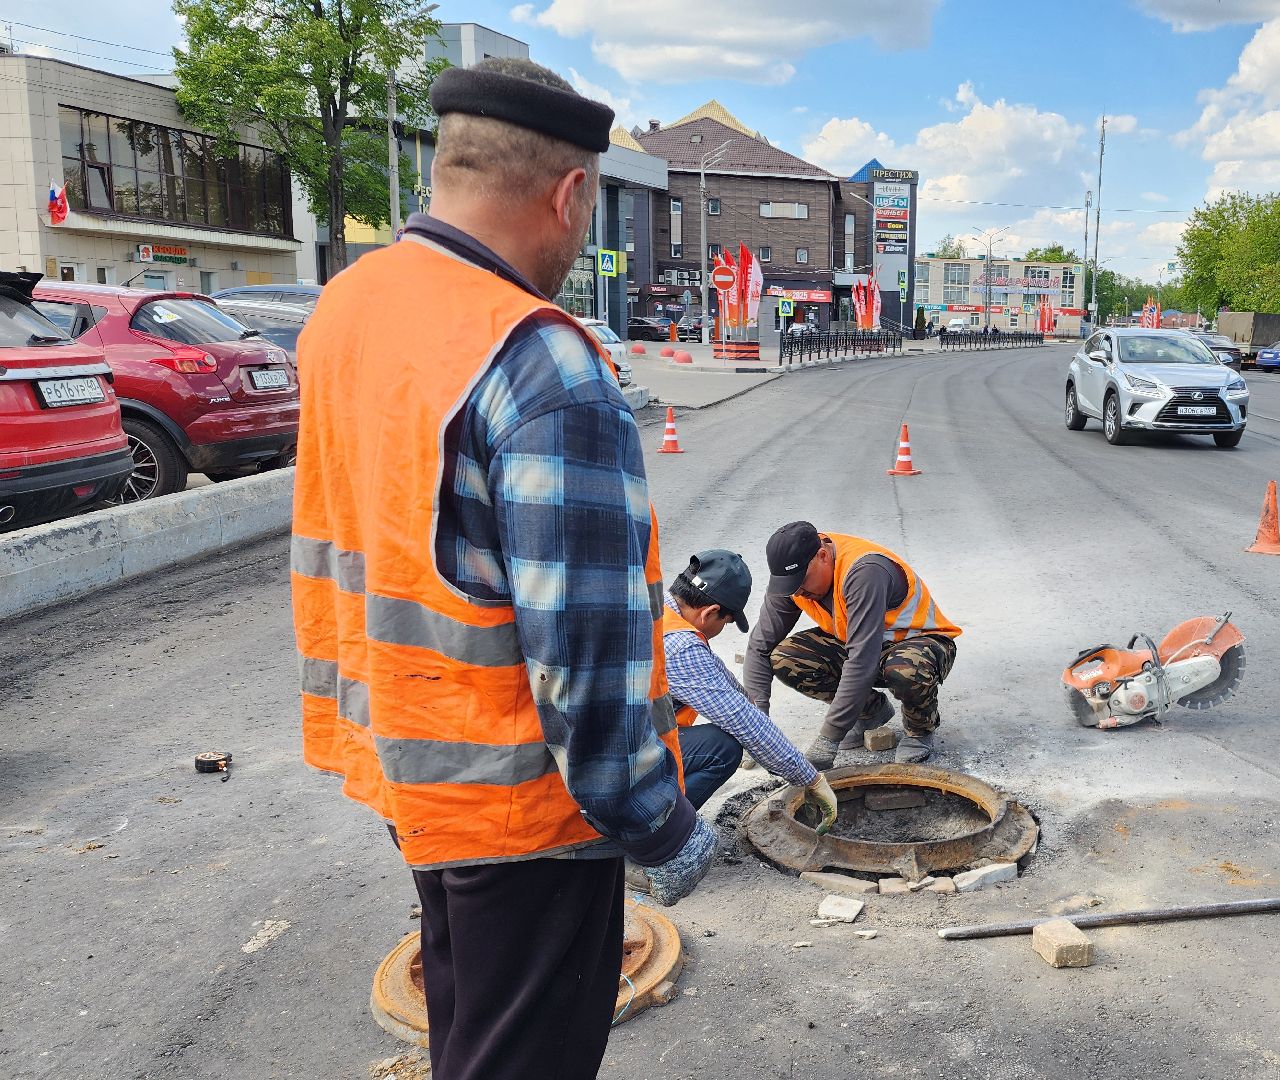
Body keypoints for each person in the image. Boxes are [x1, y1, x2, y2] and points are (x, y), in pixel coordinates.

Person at [291, 58, 714, 1080]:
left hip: (409, 771)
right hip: (523, 813)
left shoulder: (349, 309)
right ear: (571, 194)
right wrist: (660, 827)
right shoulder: (536, 360)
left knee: (472, 1037)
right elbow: (587, 650)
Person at [743, 522, 961, 768]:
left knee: (906, 670)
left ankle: (920, 729)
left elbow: (860, 661)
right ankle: (870, 711)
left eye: (801, 581)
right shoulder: (793, 582)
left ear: (822, 556)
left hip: (918, 643)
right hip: (861, 645)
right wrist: (755, 728)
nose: (798, 592)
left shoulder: (865, 571)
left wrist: (828, 739)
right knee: (786, 657)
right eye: (791, 585)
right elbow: (759, 647)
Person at [657, 548, 840, 822]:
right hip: (617, 760)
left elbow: (716, 675)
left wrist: (748, 702)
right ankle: (655, 831)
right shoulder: (680, 647)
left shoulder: (655, 607)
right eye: (727, 622)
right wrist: (811, 779)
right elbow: (743, 722)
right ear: (710, 612)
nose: (724, 628)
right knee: (722, 747)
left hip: (596, 744)